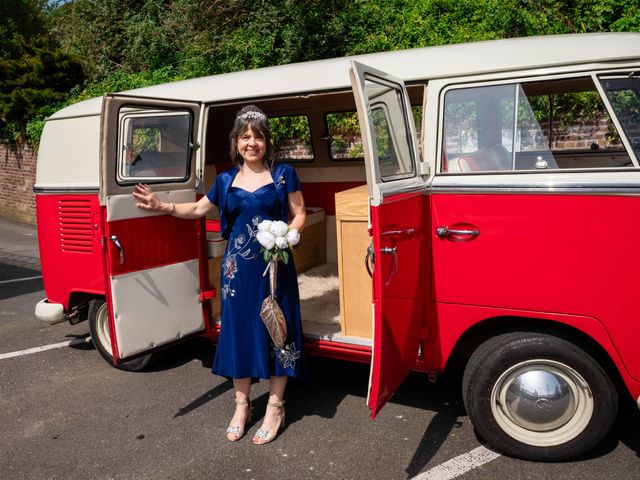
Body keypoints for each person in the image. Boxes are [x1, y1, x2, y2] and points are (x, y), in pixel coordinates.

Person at [132, 105, 306, 444]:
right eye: (245, 137)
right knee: (240, 331)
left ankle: (275, 405)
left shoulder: (285, 174)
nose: (252, 143)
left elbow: (299, 213)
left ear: (267, 141)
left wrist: (288, 234)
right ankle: (242, 405)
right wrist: (164, 206)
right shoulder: (226, 180)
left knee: (278, 330)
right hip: (237, 273)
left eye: (258, 136)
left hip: (275, 268)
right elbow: (198, 209)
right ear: (236, 142)